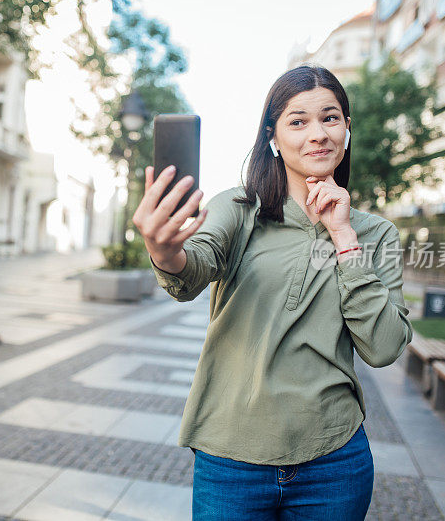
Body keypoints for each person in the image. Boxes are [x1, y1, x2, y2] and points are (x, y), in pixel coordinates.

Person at [132, 64, 413, 520]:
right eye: (297, 121)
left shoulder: (375, 234)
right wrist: (165, 250)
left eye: (330, 117)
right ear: (272, 137)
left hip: (335, 460)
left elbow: (383, 348)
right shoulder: (238, 209)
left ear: (346, 129)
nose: (317, 134)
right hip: (231, 456)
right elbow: (193, 267)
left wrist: (344, 238)